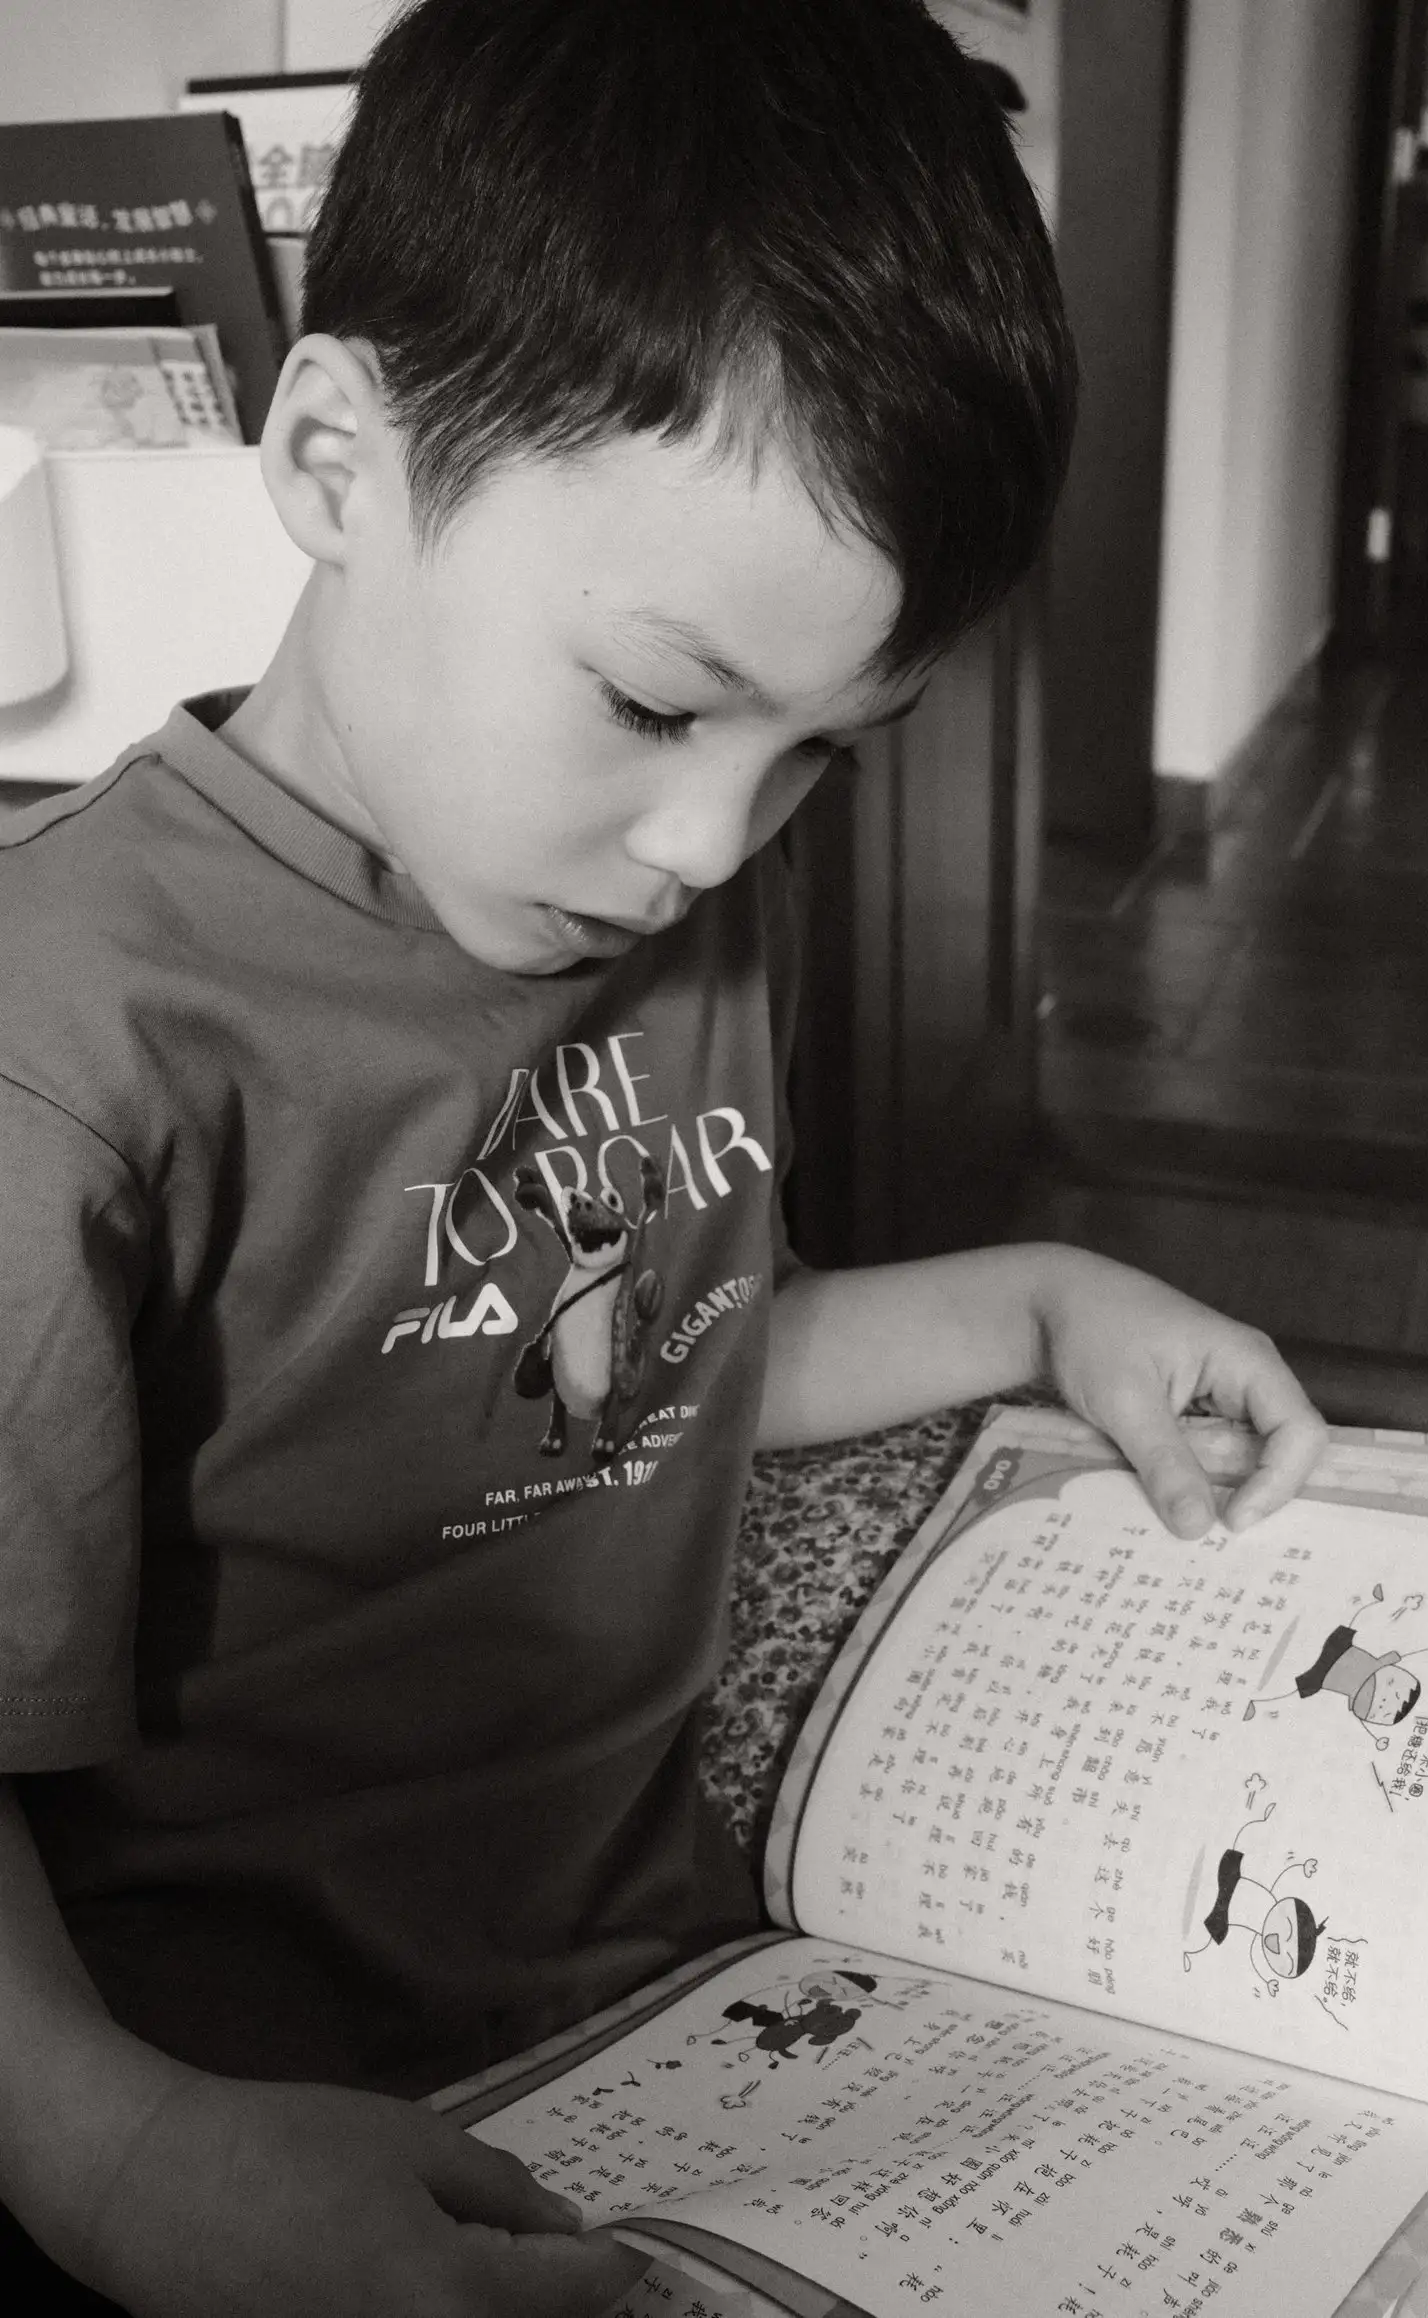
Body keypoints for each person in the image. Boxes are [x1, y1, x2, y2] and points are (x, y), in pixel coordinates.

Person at [0, 4, 1327, 2312]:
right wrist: (119, 2165)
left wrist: (1040, 1302)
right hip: (238, 2121)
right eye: (652, 699)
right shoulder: (79, 1047)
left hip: (675, 2009)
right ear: (337, 459)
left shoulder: (641, 877)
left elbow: (649, 1365)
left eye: (821, 751)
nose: (710, 839)